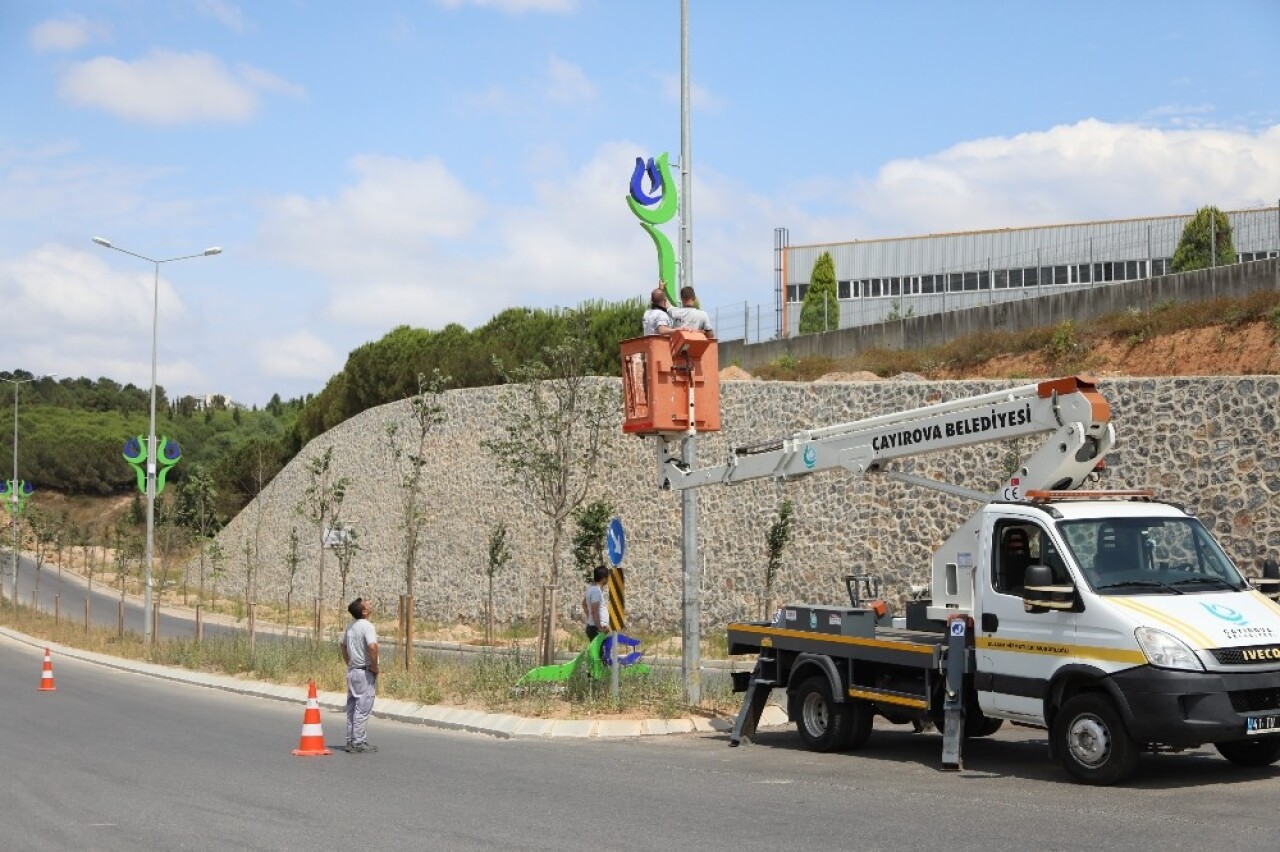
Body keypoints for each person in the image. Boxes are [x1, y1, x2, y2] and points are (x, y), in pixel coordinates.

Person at [341, 597, 380, 753]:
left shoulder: (350, 626)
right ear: (364, 611)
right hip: (364, 672)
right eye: (367, 604)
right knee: (362, 708)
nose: (370, 604)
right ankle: (359, 741)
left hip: (352, 671)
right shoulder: (367, 626)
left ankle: (350, 740)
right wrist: (375, 667)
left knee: (352, 707)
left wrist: (349, 662)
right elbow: (372, 647)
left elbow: (343, 647)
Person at [582, 566, 611, 640]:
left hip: (593, 627)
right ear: (603, 578)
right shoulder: (596, 591)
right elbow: (595, 611)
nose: (608, 579)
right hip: (596, 629)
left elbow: (584, 604)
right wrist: (599, 627)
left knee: (598, 651)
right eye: (607, 577)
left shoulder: (591, 588)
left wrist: (590, 617)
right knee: (598, 651)